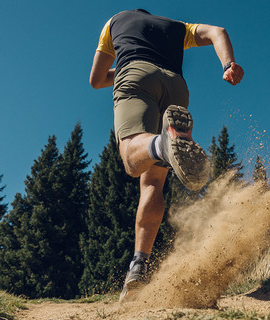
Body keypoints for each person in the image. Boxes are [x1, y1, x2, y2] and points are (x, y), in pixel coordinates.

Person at [89, 9, 244, 301]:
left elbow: (96, 79)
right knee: (152, 183)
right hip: (176, 86)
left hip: (136, 75)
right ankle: (138, 267)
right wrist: (229, 63)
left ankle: (162, 144)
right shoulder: (176, 27)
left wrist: (122, 67)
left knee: (131, 156)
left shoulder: (115, 21)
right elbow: (217, 30)